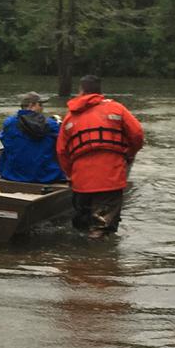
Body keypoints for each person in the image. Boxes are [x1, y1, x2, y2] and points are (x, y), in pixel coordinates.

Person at [56, 75, 144, 239]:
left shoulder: (70, 116)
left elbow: (61, 151)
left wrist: (71, 174)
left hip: (81, 181)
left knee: (82, 226)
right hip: (110, 178)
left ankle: (81, 260)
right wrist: (129, 154)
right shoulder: (117, 109)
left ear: (81, 91)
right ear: (99, 90)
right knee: (102, 229)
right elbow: (137, 134)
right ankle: (101, 260)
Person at [0, 92, 65, 184]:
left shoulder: (9, 123)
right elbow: (63, 145)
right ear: (31, 105)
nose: (42, 108)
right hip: (46, 176)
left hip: (13, 175)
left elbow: (4, 140)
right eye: (40, 104)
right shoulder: (51, 124)